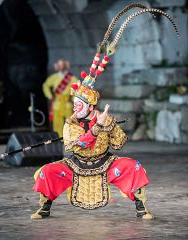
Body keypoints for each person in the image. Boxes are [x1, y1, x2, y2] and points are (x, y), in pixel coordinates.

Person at [31, 4, 178, 220]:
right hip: (76, 164)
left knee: (133, 166)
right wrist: (96, 128)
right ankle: (44, 206)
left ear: (90, 106)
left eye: (80, 104)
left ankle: (141, 206)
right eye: (75, 104)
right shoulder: (71, 123)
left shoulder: (104, 117)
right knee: (47, 171)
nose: (76, 107)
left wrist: (109, 125)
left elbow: (119, 143)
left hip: (105, 163)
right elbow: (76, 145)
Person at [43, 59, 78, 137]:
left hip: (67, 103)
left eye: (63, 65)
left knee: (69, 122)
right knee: (57, 123)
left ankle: (69, 138)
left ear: (66, 66)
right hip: (57, 103)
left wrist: (74, 99)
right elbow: (45, 85)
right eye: (59, 66)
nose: (61, 67)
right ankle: (58, 138)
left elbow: (77, 87)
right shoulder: (54, 77)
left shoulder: (71, 78)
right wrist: (50, 96)